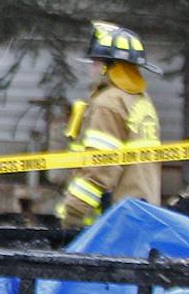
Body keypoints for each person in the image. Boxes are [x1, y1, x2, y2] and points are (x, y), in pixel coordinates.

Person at [56, 20, 162, 227]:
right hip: (140, 213)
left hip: (111, 222)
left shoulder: (109, 103)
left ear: (107, 67)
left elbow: (100, 168)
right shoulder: (141, 101)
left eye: (95, 62)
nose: (91, 68)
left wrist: (73, 213)